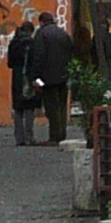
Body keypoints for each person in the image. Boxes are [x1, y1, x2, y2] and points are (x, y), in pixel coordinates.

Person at [26, 9, 74, 148]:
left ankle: (54, 136)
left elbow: (38, 57)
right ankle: (62, 134)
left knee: (51, 108)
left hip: (48, 78)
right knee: (62, 107)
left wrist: (36, 79)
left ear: (41, 22)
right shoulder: (63, 33)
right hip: (63, 76)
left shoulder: (42, 34)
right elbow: (70, 53)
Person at [4, 15, 38, 146]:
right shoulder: (31, 42)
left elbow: (10, 63)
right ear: (30, 31)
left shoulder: (14, 42)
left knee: (18, 108)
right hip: (29, 77)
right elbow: (35, 61)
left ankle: (19, 138)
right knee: (29, 107)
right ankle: (29, 136)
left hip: (16, 77)